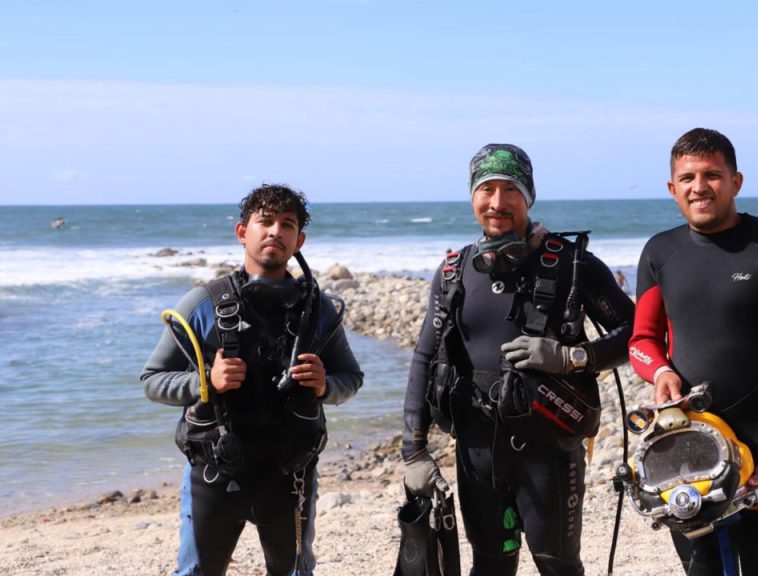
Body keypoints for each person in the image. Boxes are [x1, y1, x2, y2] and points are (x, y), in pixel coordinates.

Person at [401, 143, 635, 576]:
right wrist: (413, 449)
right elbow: (424, 357)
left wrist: (571, 357)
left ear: (529, 196)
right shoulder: (452, 273)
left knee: (558, 567)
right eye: (486, 189)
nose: (497, 202)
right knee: (490, 566)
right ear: (472, 196)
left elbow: (634, 332)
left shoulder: (571, 264)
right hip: (476, 451)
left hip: (550, 451)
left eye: (510, 189)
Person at [629, 128, 758, 575]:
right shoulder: (660, 252)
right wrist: (660, 372)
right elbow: (641, 341)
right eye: (688, 178)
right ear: (672, 188)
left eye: (712, 175)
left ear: (736, 182)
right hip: (685, 454)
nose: (699, 187)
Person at [141, 184, 363, 576]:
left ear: (299, 240)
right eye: (266, 221)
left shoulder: (318, 309)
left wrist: (325, 384)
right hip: (215, 471)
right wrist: (204, 382)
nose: (276, 231)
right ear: (242, 232)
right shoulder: (203, 304)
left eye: (287, 224)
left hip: (290, 473)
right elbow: (153, 380)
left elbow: (351, 378)